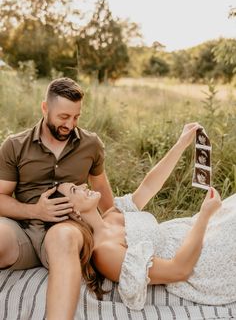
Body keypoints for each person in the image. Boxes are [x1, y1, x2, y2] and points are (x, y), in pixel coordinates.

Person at [57, 122, 236, 311]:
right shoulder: (105, 252)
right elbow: (179, 270)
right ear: (73, 211)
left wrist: (181, 143)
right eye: (75, 189)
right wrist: (204, 215)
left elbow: (149, 186)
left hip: (195, 231)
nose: (85, 186)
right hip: (202, 261)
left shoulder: (111, 214)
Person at [0, 77, 113, 320]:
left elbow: (103, 192)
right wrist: (35, 212)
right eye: (63, 117)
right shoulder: (14, 146)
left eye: (76, 117)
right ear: (45, 108)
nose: (70, 125)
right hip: (23, 231)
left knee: (61, 236)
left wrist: (115, 221)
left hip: (69, 230)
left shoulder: (91, 145)